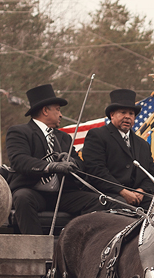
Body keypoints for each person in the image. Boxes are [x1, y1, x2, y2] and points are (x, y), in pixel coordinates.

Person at [6, 83, 104, 235]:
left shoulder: (63, 137)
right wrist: (51, 166)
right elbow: (19, 160)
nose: (61, 115)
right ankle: (36, 251)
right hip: (32, 191)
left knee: (98, 201)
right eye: (57, 109)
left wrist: (72, 162)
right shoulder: (20, 132)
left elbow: (80, 164)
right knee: (22, 198)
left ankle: (77, 245)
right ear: (45, 110)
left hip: (61, 194)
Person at [81, 89, 154, 208]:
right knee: (123, 207)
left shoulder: (143, 144)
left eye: (131, 114)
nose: (127, 117)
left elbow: (151, 174)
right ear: (112, 115)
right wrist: (122, 191)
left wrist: (142, 191)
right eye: (123, 112)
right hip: (107, 195)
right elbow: (96, 171)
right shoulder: (98, 135)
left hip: (139, 197)